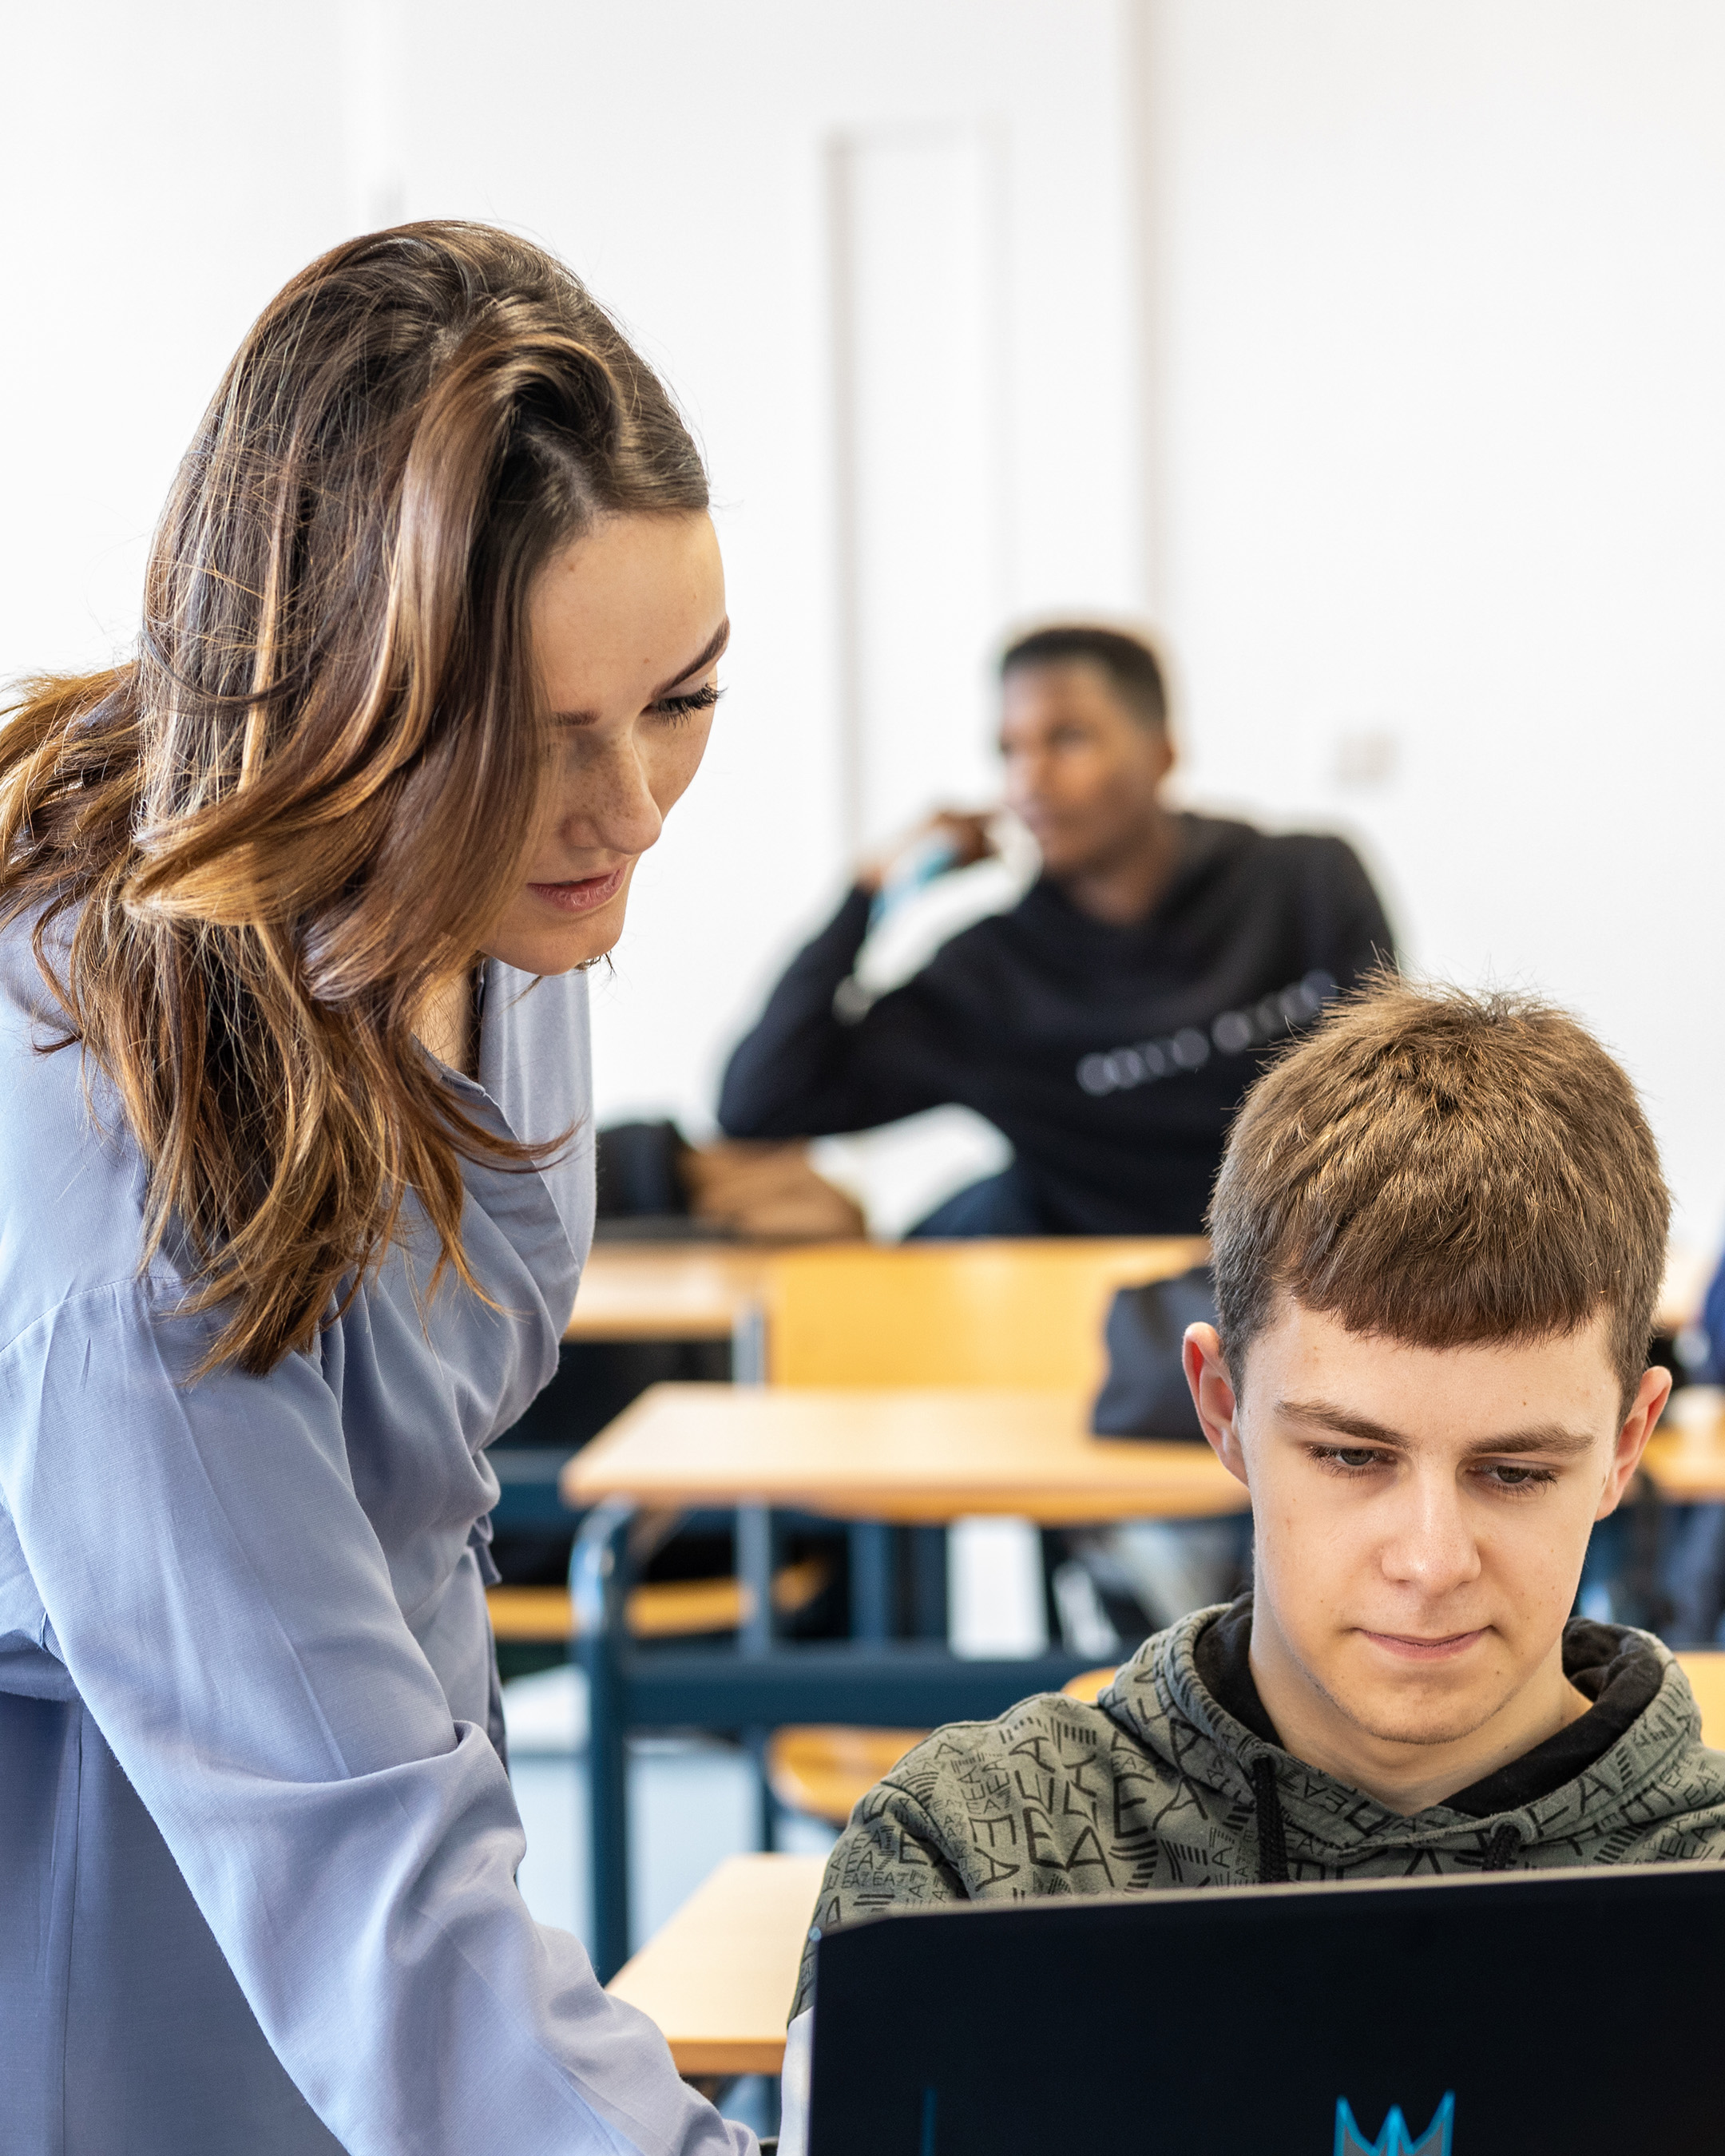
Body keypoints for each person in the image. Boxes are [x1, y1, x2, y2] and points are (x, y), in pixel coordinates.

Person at [0, 224, 755, 2154]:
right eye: (534, 737)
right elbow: (347, 1868)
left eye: (676, 701)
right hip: (115, 1890)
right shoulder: (130, 1225)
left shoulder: (507, 889)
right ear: (329, 702)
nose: (630, 810)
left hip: (380, 1826)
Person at [779, 979, 1725, 2142]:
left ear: (1627, 1444)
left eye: (1514, 1474)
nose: (1430, 1563)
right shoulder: (967, 1866)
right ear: (1221, 1408)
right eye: (1349, 1455)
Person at [718, 624, 1394, 1235]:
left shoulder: (1307, 884)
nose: (1027, 781)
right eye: (1010, 750)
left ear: (1161, 753)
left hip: (1291, 1275)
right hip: (1074, 1302)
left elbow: (1384, 1102)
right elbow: (759, 1103)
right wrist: (868, 892)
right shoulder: (990, 976)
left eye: (1066, 739)